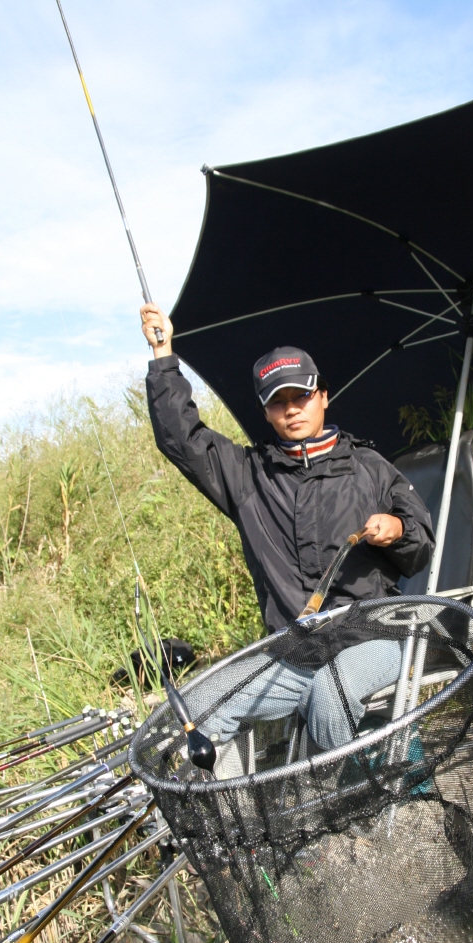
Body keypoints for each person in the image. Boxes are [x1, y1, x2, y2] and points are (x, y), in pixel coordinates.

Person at [140, 303, 434, 771]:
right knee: (199, 712)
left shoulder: (370, 468)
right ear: (266, 411)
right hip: (293, 652)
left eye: (302, 395)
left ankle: (362, 795)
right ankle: (237, 828)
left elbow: (420, 548)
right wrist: (163, 356)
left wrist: (396, 530)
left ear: (323, 397)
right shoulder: (247, 476)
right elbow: (182, 439)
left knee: (330, 694)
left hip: (375, 638)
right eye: (279, 401)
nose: (292, 409)